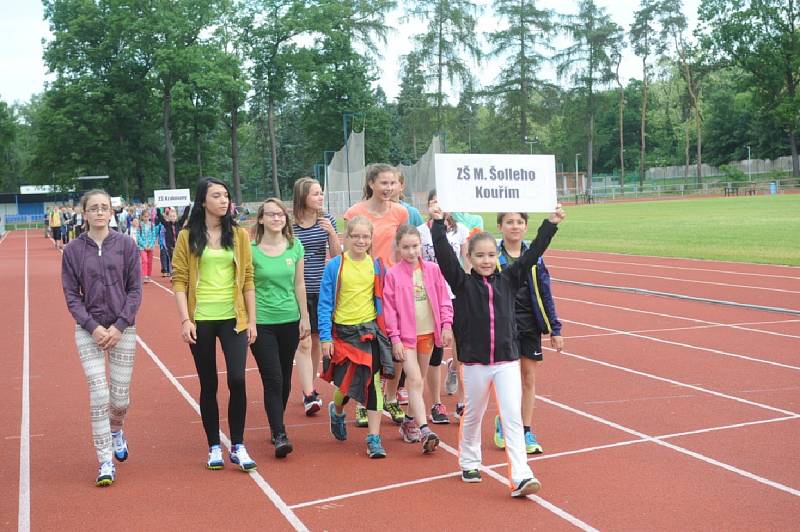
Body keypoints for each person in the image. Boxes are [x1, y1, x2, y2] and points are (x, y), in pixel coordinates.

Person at [432, 202, 565, 497]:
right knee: (474, 413)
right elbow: (443, 257)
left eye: (491, 255)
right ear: (469, 257)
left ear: (498, 257)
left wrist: (550, 224)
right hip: (476, 362)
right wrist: (438, 223)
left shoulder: (509, 279)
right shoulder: (462, 283)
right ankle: (469, 461)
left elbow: (533, 254)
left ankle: (521, 474)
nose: (486, 260)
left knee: (512, 416)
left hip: (506, 360)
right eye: (480, 256)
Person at [171, 177, 259, 472]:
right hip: (202, 318)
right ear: (203, 201)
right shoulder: (187, 237)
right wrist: (185, 319)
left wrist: (252, 321)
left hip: (233, 317)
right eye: (217, 196)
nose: (224, 200)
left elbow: (247, 278)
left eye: (226, 195)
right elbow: (180, 279)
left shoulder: (239, 235)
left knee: (237, 378)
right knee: (209, 383)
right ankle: (213, 446)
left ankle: (238, 444)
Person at [61, 189, 142, 487]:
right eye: (93, 207)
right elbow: (71, 296)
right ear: (84, 213)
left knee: (119, 399)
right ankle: (105, 460)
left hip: (123, 329)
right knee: (99, 394)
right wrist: (92, 326)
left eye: (104, 207)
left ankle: (116, 429)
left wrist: (120, 325)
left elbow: (135, 290)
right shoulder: (72, 251)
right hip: (88, 330)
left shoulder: (126, 245)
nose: (98, 212)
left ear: (111, 212)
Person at [318, 216, 394, 458]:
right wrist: (325, 337)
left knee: (372, 383)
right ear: (346, 238)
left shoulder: (376, 265)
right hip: (343, 332)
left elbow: (384, 300)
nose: (361, 240)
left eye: (365, 236)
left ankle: (373, 438)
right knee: (348, 384)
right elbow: (325, 303)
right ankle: (337, 409)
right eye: (356, 236)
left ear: (371, 239)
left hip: (369, 331)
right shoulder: (335, 266)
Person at [343, 163, 408, 426]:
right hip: (365, 284)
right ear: (371, 183)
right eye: (383, 183)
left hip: (394, 285)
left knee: (400, 342)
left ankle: (391, 398)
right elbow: (347, 249)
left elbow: (406, 246)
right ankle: (364, 400)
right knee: (368, 346)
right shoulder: (354, 212)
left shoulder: (401, 212)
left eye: (392, 184)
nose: (388, 188)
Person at [493, 212, 563, 455]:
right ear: (500, 226)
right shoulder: (493, 257)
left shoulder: (535, 258)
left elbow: (545, 292)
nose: (515, 226)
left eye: (520, 222)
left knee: (528, 379)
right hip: (503, 325)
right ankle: (504, 423)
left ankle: (525, 430)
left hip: (529, 324)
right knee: (507, 380)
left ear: (525, 227)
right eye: (510, 222)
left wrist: (555, 328)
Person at [383, 224, 453, 454]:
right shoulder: (393, 274)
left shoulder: (432, 270)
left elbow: (444, 299)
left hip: (428, 335)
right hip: (406, 337)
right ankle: (425, 430)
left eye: (415, 246)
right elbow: (390, 309)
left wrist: (446, 325)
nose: (412, 252)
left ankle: (408, 420)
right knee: (413, 379)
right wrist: (395, 339)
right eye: (406, 247)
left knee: (418, 381)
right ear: (399, 248)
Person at [250, 198, 310, 458]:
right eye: (271, 215)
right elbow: (246, 287)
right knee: (272, 377)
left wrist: (304, 317)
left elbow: (299, 284)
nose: (276, 218)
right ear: (261, 219)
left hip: (289, 319)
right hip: (262, 322)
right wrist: (249, 321)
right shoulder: (250, 249)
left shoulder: (294, 246)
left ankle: (276, 424)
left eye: (281, 215)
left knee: (285, 378)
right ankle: (280, 433)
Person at [417, 189, 470, 423]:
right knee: (433, 349)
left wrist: (469, 289)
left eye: (442, 202)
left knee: (462, 348)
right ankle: (435, 402)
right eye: (433, 201)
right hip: (429, 295)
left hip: (455, 293)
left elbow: (467, 261)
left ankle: (462, 401)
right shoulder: (420, 232)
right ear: (428, 205)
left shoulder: (461, 230)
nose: (438, 205)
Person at [291, 177, 340, 416]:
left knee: (317, 342)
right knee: (304, 340)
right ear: (303, 197)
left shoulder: (327, 220)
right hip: (298, 289)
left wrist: (331, 233)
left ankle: (309, 390)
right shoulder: (290, 224)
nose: (320, 197)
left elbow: (337, 254)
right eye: (315, 193)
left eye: (321, 193)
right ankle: (309, 392)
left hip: (322, 289)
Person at [136, 209, 158, 283]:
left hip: (150, 246)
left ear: (149, 217)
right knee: (144, 261)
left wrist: (151, 245)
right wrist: (144, 245)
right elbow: (138, 237)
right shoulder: (140, 226)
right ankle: (145, 275)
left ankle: (148, 275)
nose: (146, 218)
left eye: (147, 216)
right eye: (144, 216)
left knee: (150, 262)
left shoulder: (152, 225)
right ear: (142, 217)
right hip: (142, 247)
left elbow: (154, 236)